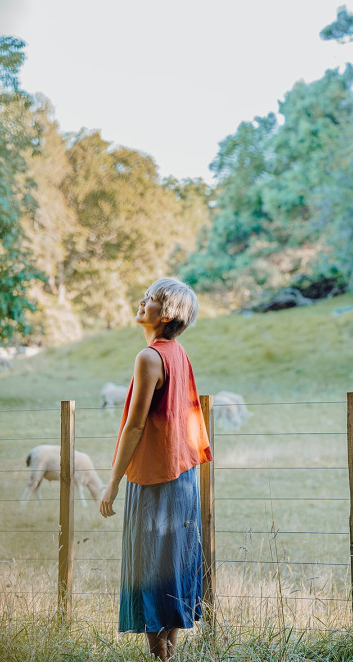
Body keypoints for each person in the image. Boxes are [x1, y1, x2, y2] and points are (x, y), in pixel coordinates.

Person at [100, 277, 213, 661]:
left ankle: (159, 658)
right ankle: (170, 656)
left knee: (149, 564)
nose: (141, 300)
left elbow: (135, 425)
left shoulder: (149, 358)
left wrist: (113, 482)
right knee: (174, 562)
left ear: (164, 313)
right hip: (183, 476)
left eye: (148, 297)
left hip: (154, 477)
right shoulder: (178, 353)